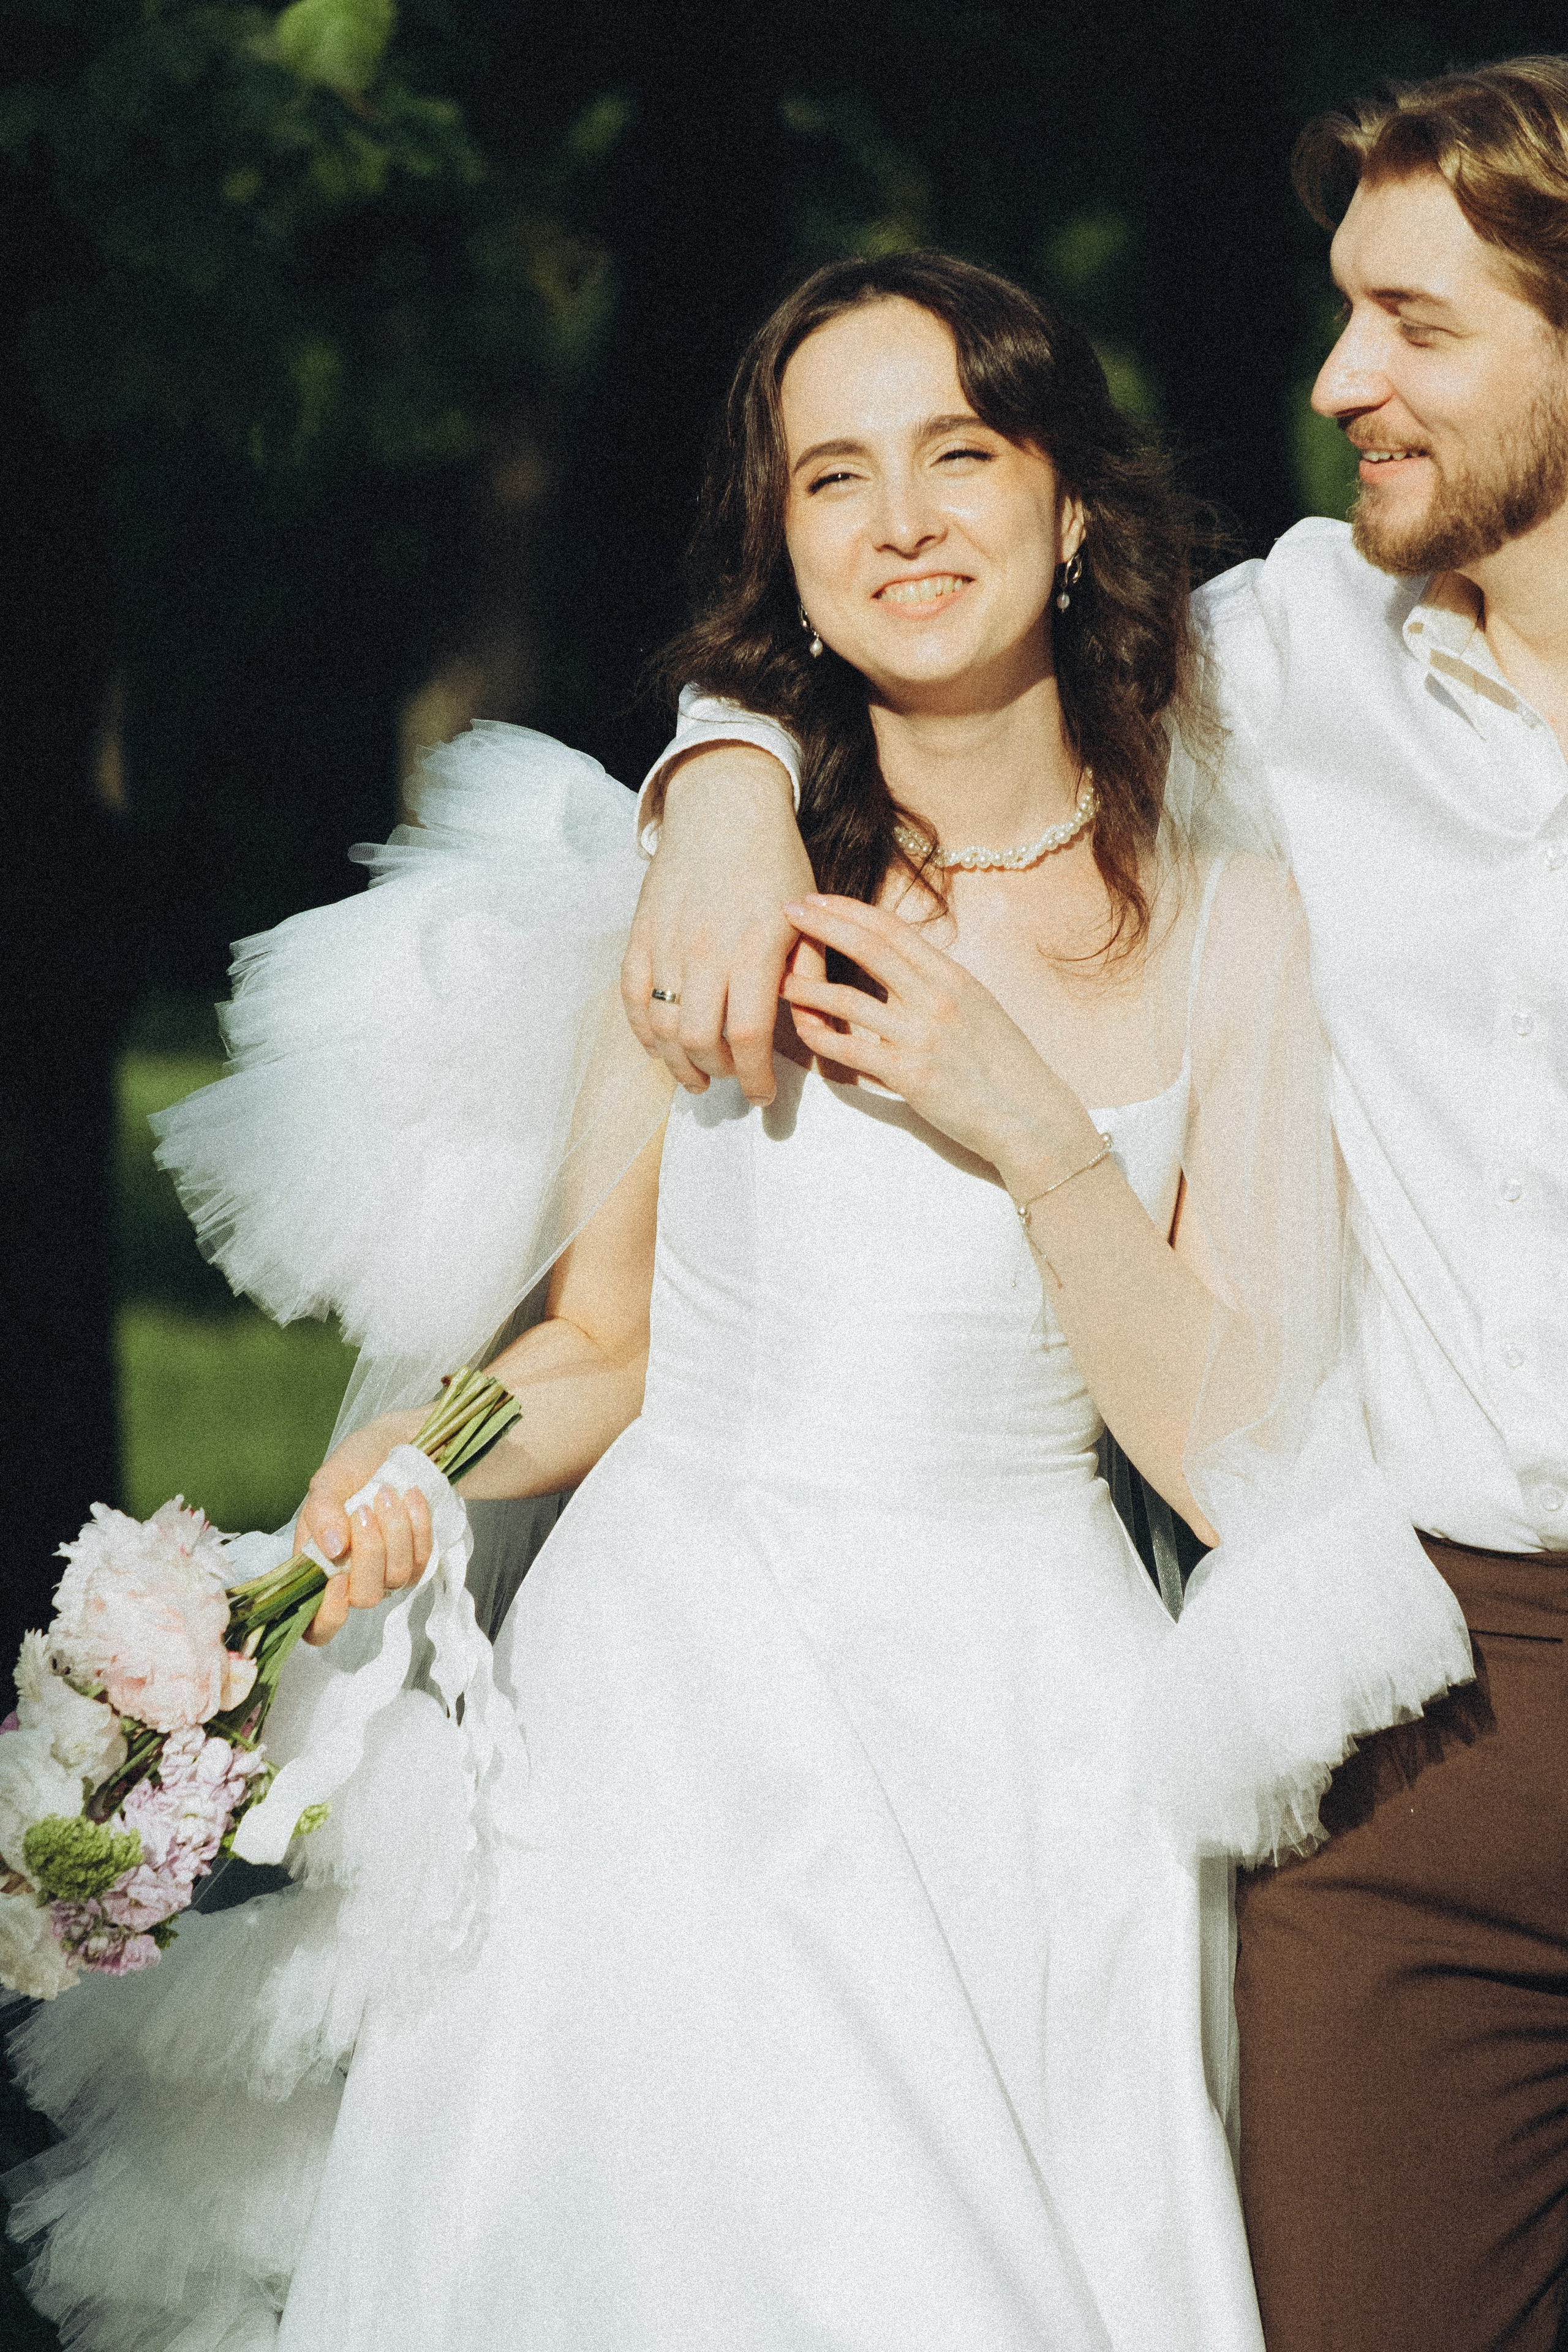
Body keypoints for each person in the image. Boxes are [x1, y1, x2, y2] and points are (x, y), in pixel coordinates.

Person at [7, 255, 1466, 2352]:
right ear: (783, 555)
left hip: (1025, 1739)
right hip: (674, 1717)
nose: (903, 522)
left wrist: (1032, 1130)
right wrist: (407, 1459)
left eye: (964, 455)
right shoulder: (709, 884)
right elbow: (603, 1342)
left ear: (1073, 512)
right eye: (834, 478)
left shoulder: (1228, 928)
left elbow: (1233, 1460)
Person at [620, 57, 1568, 2352]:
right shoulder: (1293, 655)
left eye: (1414, 325)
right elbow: (904, 622)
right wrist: (726, 777)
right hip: (1445, 1702)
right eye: (1345, 311)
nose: (1341, 379)